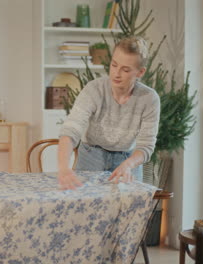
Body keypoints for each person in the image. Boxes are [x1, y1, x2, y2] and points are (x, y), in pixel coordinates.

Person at [57, 36, 160, 190]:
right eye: (114, 65)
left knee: (129, 211)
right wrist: (64, 168)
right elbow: (71, 130)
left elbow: (146, 146)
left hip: (127, 163)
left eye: (125, 69)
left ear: (140, 72)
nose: (116, 74)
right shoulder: (94, 90)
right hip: (91, 159)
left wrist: (128, 164)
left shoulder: (149, 99)